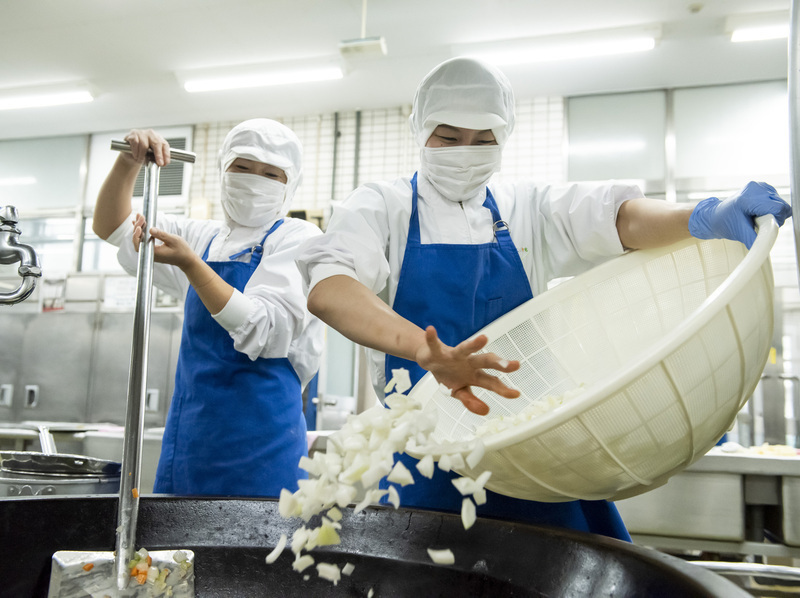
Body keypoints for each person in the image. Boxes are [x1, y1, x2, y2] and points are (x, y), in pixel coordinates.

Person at [295, 57, 792, 540]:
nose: (466, 151)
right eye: (448, 137)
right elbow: (330, 287)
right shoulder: (384, 206)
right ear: (420, 131)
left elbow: (617, 218)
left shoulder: (526, 207)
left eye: (484, 140)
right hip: (424, 456)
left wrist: (702, 216)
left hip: (534, 454)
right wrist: (426, 352)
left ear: (504, 137)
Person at [93, 118, 324, 497]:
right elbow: (111, 226)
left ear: (290, 183)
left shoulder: (297, 237)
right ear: (223, 170)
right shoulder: (203, 237)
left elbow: (264, 329)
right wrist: (128, 162)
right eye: (242, 167)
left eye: (271, 174)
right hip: (192, 442)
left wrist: (192, 265)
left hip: (264, 447)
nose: (254, 180)